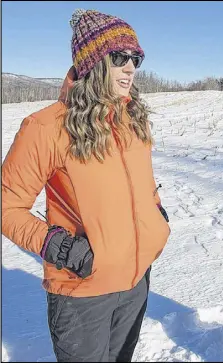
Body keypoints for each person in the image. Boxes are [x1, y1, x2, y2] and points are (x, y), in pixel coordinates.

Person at [2, 9, 170, 362]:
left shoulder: (132, 119)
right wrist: (64, 250)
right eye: (120, 57)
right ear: (93, 63)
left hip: (136, 281)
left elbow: (141, 186)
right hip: (82, 289)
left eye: (136, 58)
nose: (131, 68)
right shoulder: (46, 127)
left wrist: (156, 218)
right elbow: (7, 207)